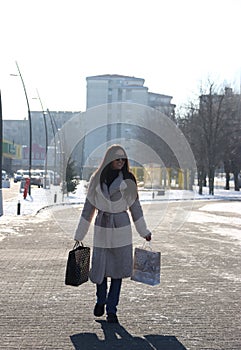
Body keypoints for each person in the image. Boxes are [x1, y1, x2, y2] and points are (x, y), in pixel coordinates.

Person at [74, 144, 151, 323]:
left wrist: (144, 231)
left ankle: (112, 310)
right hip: (102, 226)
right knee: (100, 269)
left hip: (121, 228)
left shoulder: (129, 180)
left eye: (123, 159)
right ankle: (101, 300)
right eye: (117, 159)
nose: (121, 162)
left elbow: (136, 208)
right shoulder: (97, 179)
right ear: (110, 159)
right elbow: (88, 209)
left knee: (117, 272)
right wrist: (80, 234)